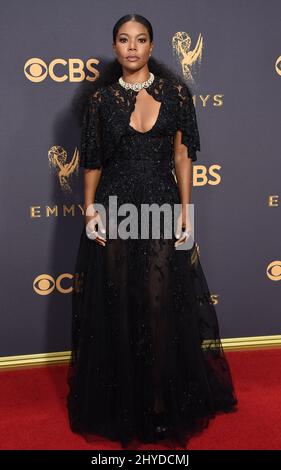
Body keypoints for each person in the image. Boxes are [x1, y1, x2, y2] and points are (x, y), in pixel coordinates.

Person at [67, 13, 237, 449]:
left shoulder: (178, 94)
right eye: (124, 40)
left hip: (161, 205)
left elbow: (183, 157)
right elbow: (92, 162)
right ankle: (126, 405)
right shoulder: (100, 101)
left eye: (140, 40)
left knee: (161, 307)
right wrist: (89, 212)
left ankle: (160, 404)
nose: (132, 47)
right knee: (121, 305)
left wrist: (186, 211)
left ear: (152, 47)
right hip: (117, 206)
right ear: (115, 47)